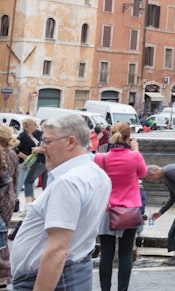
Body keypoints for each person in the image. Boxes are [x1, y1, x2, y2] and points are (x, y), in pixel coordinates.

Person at [10, 113, 112, 290]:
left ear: (71, 142)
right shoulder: (97, 174)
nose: (42, 148)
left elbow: (57, 251)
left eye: (47, 142)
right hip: (71, 271)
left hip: (50, 279)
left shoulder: (68, 183)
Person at [94, 122, 147, 291]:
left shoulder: (100, 158)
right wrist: (136, 150)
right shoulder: (134, 157)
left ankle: (105, 289)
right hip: (129, 210)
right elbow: (143, 173)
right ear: (128, 137)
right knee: (125, 254)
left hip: (107, 210)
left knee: (106, 254)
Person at [0, 125, 20, 287]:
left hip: (1, 198)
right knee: (3, 236)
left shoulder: (1, 154)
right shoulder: (12, 153)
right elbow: (15, 178)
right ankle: (3, 276)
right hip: (9, 198)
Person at [15, 118, 44, 207]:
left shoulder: (34, 135)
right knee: (21, 181)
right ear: (29, 126)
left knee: (30, 180)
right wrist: (26, 157)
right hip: (24, 162)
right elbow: (16, 150)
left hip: (31, 162)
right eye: (34, 124)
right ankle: (15, 199)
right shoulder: (22, 136)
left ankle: (31, 198)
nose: (36, 126)